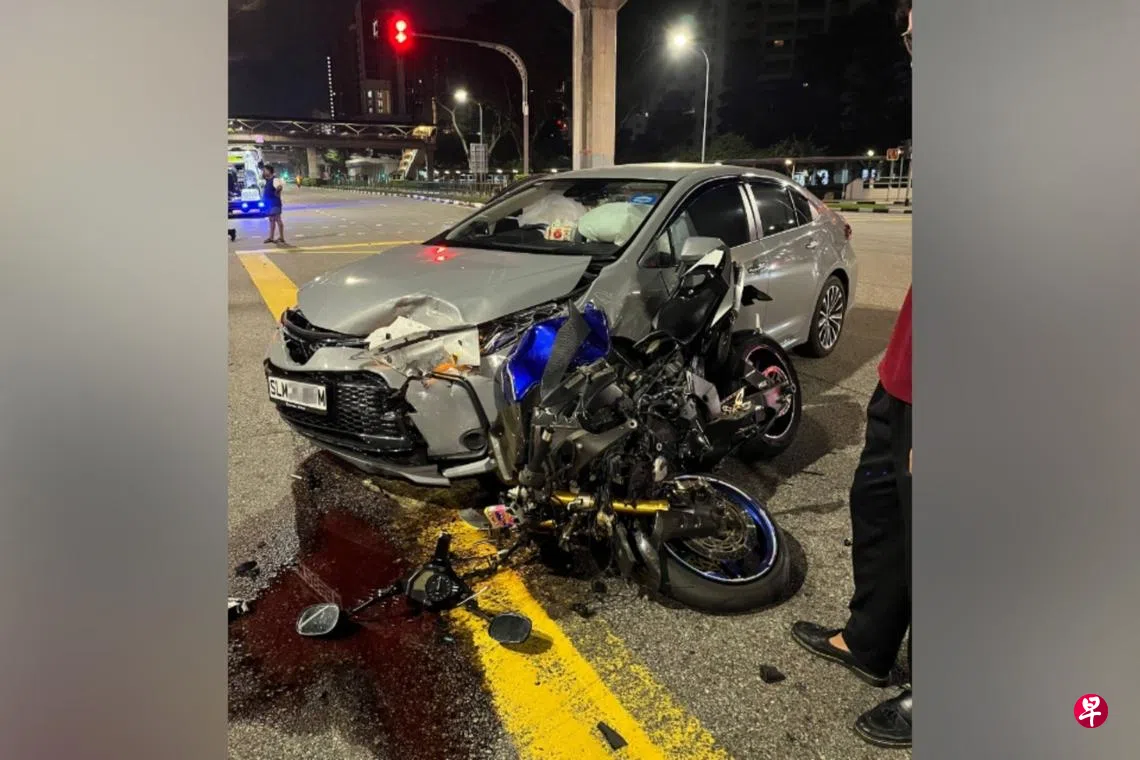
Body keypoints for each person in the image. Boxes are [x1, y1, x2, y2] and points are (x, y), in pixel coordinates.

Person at [790, 2, 913, 750]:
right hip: (906, 374)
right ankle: (868, 642)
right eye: (912, 34)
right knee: (881, 511)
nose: (915, 48)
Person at [261, 164, 286, 245]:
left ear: (269, 171)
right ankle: (271, 237)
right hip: (269, 204)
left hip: (275, 203)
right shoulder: (268, 180)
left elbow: (279, 187)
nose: (264, 172)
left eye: (265, 170)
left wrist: (277, 192)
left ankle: (281, 237)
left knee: (278, 219)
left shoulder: (275, 179)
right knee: (271, 220)